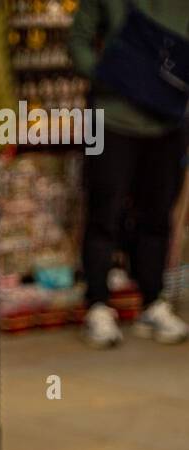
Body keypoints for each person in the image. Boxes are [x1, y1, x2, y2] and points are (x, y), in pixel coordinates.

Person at [69, 0, 189, 347]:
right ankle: (97, 305)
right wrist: (110, 78)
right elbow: (78, 39)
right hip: (110, 121)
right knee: (103, 211)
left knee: (158, 214)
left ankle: (152, 301)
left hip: (168, 123)